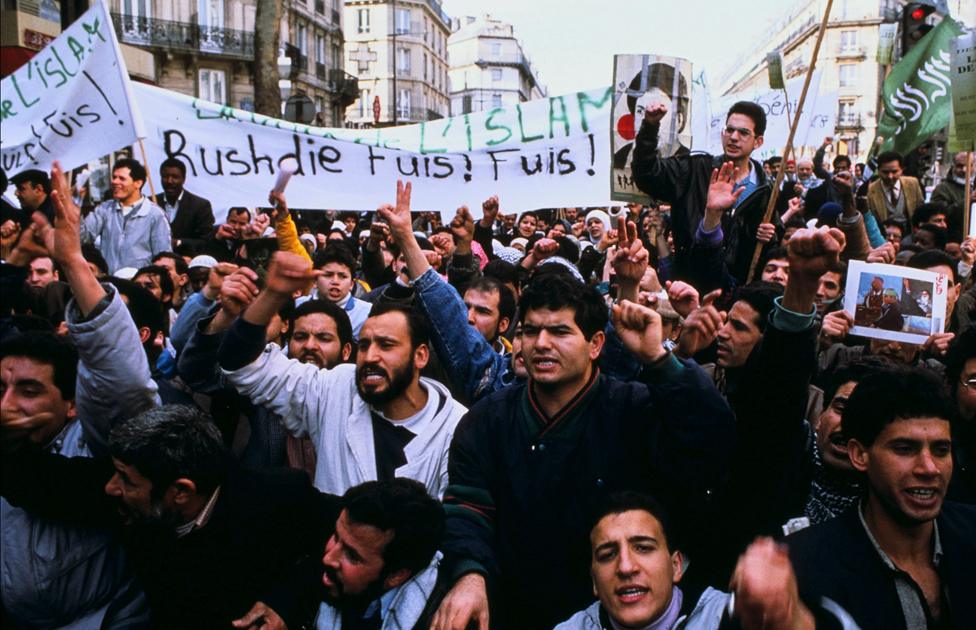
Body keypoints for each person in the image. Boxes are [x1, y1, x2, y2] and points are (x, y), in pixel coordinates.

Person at [431, 239, 735, 627]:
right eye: (531, 331)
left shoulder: (635, 407)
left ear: (595, 344)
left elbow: (712, 438)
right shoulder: (487, 419)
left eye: (559, 332)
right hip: (511, 608)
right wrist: (470, 574)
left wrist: (659, 360)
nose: (540, 344)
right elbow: (466, 509)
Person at [1, 405, 346, 629]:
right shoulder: (131, 489)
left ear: (180, 492)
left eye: (125, 479)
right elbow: (37, 481)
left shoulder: (278, 497)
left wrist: (285, 603)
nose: (110, 488)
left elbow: (349, 542)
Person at [1, 160, 160, 628]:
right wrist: (12, 265)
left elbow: (123, 384)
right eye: (1, 387)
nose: (7, 405)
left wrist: (72, 263)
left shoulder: (101, 456)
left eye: (29, 391)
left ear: (73, 404)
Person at [217, 248, 467, 497]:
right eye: (365, 344)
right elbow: (242, 365)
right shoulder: (334, 389)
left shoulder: (457, 427)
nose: (370, 357)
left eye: (386, 345)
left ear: (420, 356)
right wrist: (273, 295)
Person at [787, 368, 976, 629]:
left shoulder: (970, 533)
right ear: (860, 455)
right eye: (904, 449)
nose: (929, 468)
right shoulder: (804, 567)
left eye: (941, 450)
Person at [555, 492, 823, 630]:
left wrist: (787, 616)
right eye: (607, 555)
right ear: (593, 582)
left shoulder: (727, 619)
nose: (626, 567)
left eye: (643, 548)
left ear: (675, 566)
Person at [633, 100, 774, 284]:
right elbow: (647, 175)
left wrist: (771, 234)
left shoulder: (765, 188)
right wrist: (649, 129)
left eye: (743, 132)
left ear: (758, 141)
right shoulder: (694, 168)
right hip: (690, 284)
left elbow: (772, 245)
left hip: (737, 290)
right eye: (729, 130)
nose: (733, 137)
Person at [81, 158, 171, 273]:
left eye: (122, 178)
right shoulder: (105, 209)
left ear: (138, 183)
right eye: (114, 177)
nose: (115, 182)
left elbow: (163, 257)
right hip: (109, 282)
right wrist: (75, 209)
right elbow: (83, 238)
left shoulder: (155, 215)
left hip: (137, 285)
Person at [300, 244, 372, 338]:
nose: (335, 281)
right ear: (314, 281)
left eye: (342, 276)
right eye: (328, 275)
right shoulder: (298, 305)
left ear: (351, 284)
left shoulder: (367, 313)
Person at [154, 157, 215, 248]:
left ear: (184, 179)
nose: (169, 181)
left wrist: (178, 242)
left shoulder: (200, 206)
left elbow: (206, 240)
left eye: (175, 177)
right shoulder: (150, 203)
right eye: (165, 176)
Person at [867, 151, 923, 228]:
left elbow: (920, 211)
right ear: (879, 171)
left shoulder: (913, 184)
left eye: (894, 171)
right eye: (885, 172)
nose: (890, 176)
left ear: (901, 170)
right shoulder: (870, 191)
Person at [931, 152, 973, 242]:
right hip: (953, 242)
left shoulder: (973, 187)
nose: (965, 170)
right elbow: (941, 216)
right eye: (960, 166)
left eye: (969, 165)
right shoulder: (942, 189)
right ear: (953, 167)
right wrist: (968, 201)